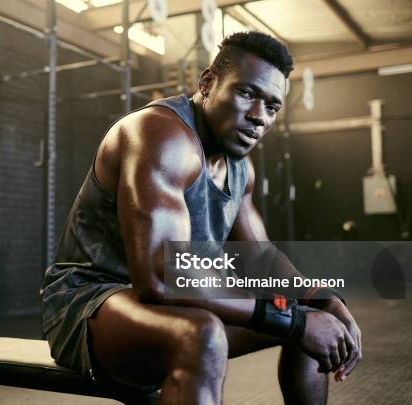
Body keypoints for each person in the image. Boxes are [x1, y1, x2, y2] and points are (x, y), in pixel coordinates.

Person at [40, 31, 362, 405]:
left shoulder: (240, 168)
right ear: (207, 83)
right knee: (204, 334)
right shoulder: (159, 136)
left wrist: (323, 301)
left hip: (169, 307)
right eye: (247, 94)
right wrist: (291, 320)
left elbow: (261, 259)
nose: (259, 116)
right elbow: (161, 279)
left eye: (272, 107)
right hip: (89, 304)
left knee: (310, 320)